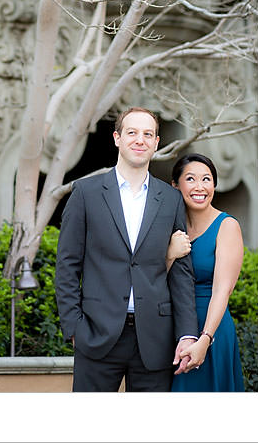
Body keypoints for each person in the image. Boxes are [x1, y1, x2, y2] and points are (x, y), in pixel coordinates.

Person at [55, 107, 199, 391]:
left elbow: (182, 273)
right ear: (117, 138)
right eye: (132, 132)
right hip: (96, 335)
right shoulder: (85, 193)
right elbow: (67, 264)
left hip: (156, 339)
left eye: (148, 134)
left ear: (157, 142)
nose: (140, 140)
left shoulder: (170, 199)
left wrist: (187, 334)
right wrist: (73, 328)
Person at [166, 153, 245, 391]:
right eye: (190, 179)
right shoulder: (169, 227)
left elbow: (223, 289)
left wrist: (205, 339)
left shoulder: (227, 226)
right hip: (172, 329)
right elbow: (152, 280)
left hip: (210, 329)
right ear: (175, 185)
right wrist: (170, 254)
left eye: (206, 179)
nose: (199, 187)